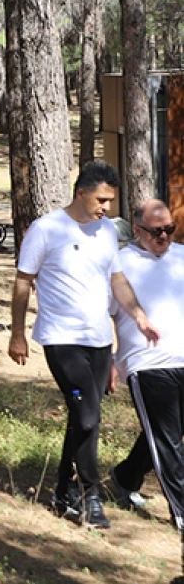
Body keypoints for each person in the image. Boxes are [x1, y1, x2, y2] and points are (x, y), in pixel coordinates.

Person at [8, 160, 160, 529]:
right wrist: (16, 333)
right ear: (81, 193)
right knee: (88, 414)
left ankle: (63, 488)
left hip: (96, 342)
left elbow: (117, 279)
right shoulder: (47, 229)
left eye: (110, 200)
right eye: (101, 199)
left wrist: (137, 314)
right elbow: (23, 281)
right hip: (61, 340)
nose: (107, 207)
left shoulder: (107, 231)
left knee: (83, 417)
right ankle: (90, 495)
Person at [106, 200, 184, 539]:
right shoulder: (119, 265)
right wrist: (108, 360)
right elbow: (102, 314)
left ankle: (126, 477)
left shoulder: (182, 256)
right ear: (137, 230)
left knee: (168, 431)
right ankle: (182, 512)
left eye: (170, 229)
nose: (164, 237)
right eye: (156, 231)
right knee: (168, 439)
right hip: (146, 362)